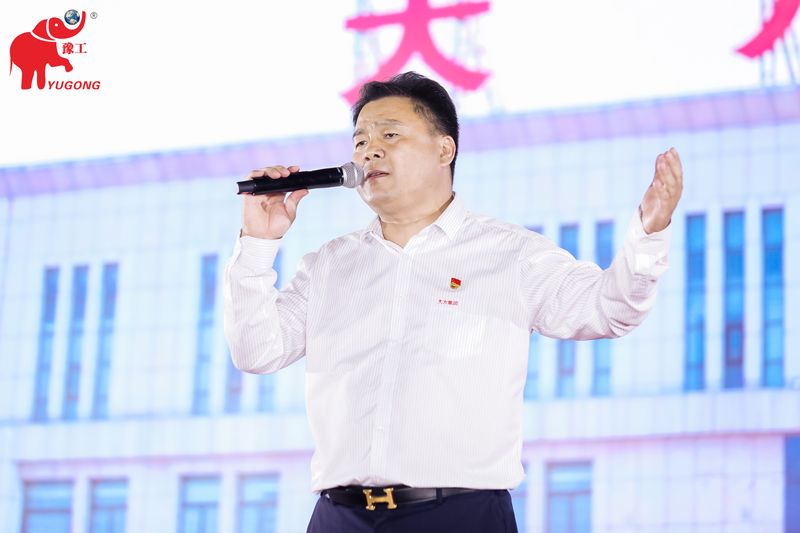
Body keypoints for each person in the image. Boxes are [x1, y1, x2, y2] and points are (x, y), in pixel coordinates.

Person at [223, 72, 683, 533]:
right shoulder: (328, 265)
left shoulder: (510, 254)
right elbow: (256, 352)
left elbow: (609, 310)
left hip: (459, 514)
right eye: (360, 141)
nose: (369, 151)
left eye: (389, 135)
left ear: (445, 150)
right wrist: (259, 242)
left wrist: (648, 233)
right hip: (338, 516)